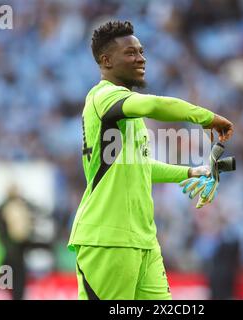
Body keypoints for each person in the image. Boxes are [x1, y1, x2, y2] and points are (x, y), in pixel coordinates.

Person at [67, 20, 234, 300]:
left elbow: (141, 167)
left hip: (143, 241)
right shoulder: (103, 98)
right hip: (107, 239)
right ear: (106, 61)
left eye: (141, 51)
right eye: (130, 53)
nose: (141, 58)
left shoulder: (127, 114)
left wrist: (191, 172)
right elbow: (155, 105)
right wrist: (207, 117)